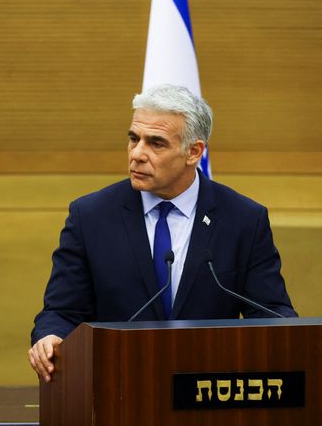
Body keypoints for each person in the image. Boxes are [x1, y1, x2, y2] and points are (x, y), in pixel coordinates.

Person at [28, 84, 296, 382]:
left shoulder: (243, 219)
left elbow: (271, 312)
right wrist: (51, 337)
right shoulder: (90, 216)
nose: (137, 154)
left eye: (156, 143)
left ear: (193, 152)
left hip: (208, 391)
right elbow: (62, 312)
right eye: (134, 139)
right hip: (118, 385)